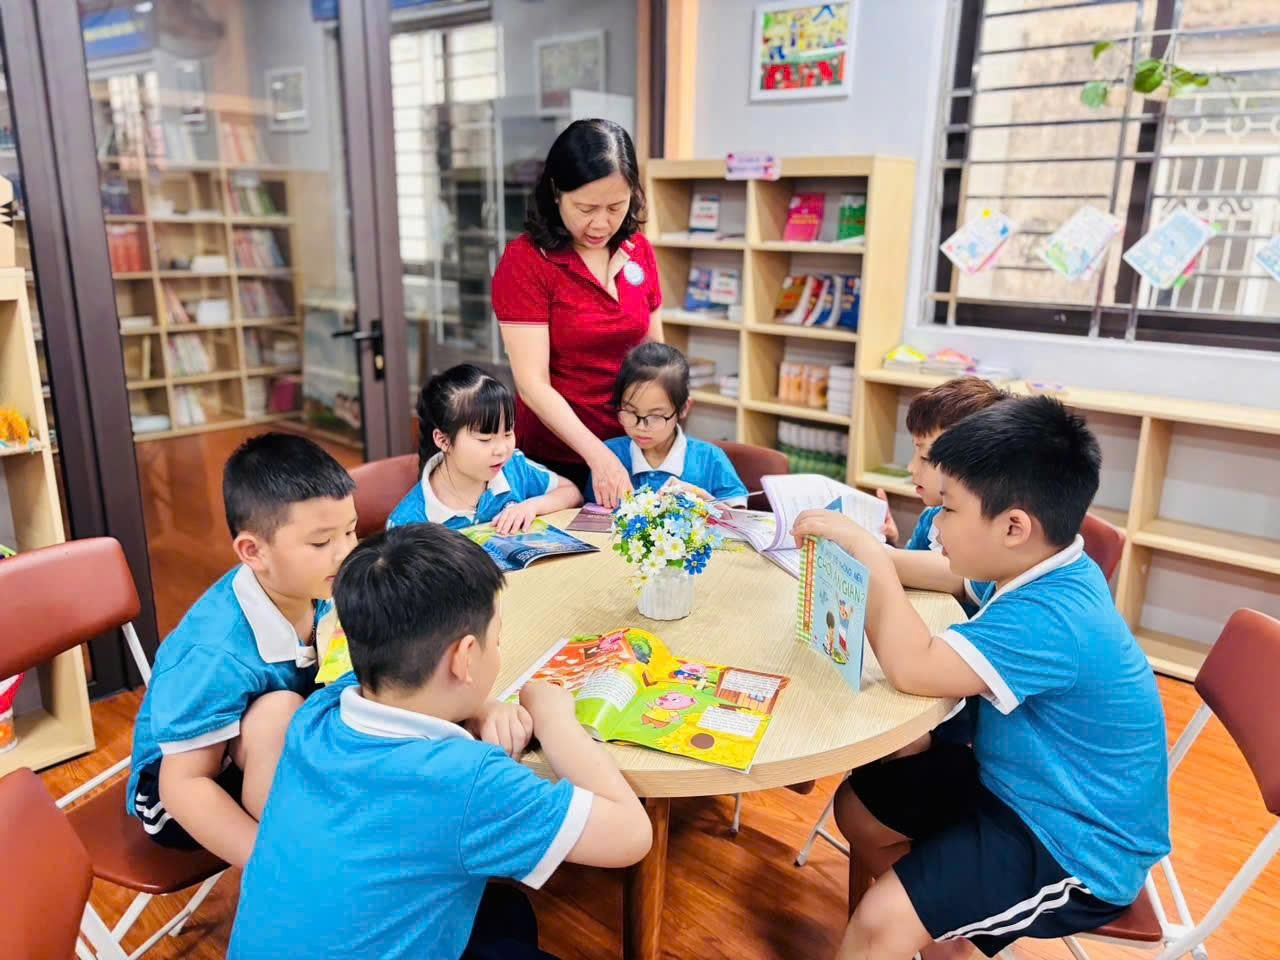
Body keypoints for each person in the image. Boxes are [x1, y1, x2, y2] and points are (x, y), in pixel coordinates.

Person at [792, 396, 1170, 960]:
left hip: (1077, 844)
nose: (937, 525)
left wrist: (869, 556)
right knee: (860, 809)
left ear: (1013, 526)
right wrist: (878, 554)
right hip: (1017, 786)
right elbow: (948, 575)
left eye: (948, 509)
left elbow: (914, 668)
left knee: (878, 923)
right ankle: (946, 932)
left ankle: (913, 921)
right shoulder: (1036, 562)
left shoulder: (1051, 617)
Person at [228, 524, 653, 960]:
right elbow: (631, 836)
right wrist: (554, 718)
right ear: (464, 658)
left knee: (505, 911)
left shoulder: (318, 713)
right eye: (497, 640)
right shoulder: (467, 780)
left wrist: (480, 706)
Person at [125, 433, 358, 868]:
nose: (346, 552)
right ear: (253, 551)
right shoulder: (214, 650)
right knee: (279, 709)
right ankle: (296, 852)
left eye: (350, 530)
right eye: (322, 542)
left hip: (260, 747)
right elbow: (183, 786)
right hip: (181, 790)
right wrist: (272, 866)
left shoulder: (316, 586)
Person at [493, 119, 663, 508]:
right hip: (557, 457)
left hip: (633, 447)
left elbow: (655, 354)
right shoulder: (526, 261)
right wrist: (598, 456)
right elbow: (532, 383)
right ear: (556, 193)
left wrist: (665, 414)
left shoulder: (638, 250)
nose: (601, 223)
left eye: (616, 207)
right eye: (586, 208)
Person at [387, 364, 582, 534]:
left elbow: (571, 492)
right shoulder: (408, 522)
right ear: (443, 440)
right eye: (485, 439)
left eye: (508, 433)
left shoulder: (513, 467)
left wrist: (531, 506)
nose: (502, 450)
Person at [591, 342, 747, 506]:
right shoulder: (608, 456)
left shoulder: (710, 458)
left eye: (656, 416)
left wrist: (701, 497)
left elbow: (739, 517)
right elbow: (590, 513)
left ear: (683, 409)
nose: (641, 427)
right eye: (630, 412)